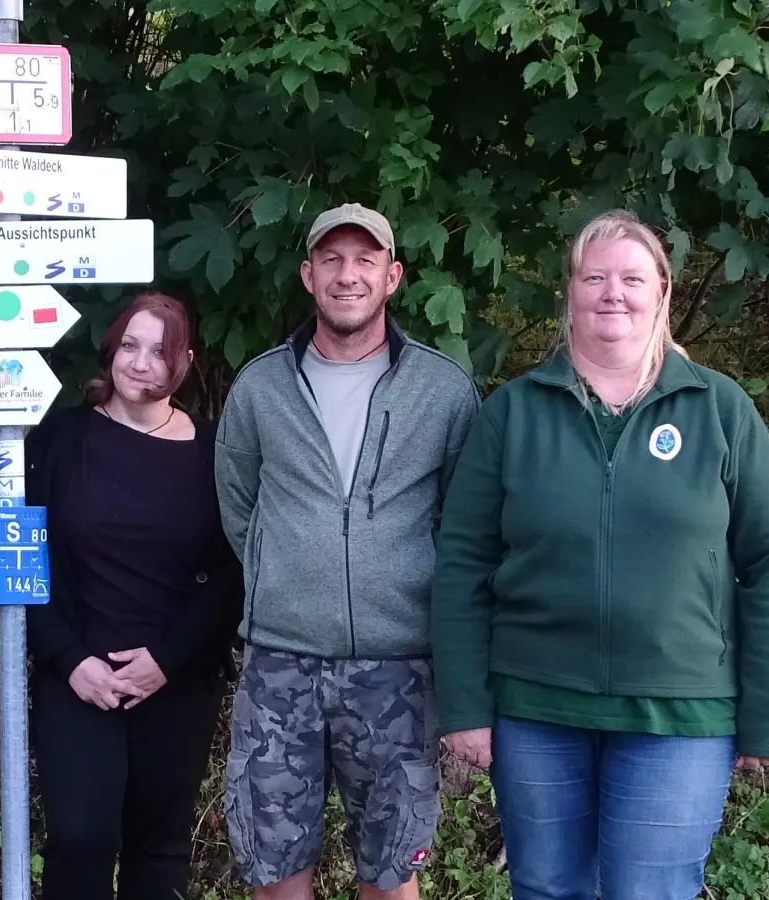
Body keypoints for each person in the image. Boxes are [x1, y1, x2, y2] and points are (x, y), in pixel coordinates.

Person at [430, 210, 769, 900]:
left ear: (661, 293)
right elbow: (461, 565)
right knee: (546, 890)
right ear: (569, 293)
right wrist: (463, 704)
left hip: (681, 715)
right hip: (536, 707)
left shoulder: (719, 411)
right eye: (595, 276)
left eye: (633, 278)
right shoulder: (513, 413)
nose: (614, 293)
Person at [215, 203, 479, 900]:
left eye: (365, 261)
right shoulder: (262, 386)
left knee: (392, 878)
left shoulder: (443, 390)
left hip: (398, 671)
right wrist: (291, 570)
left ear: (392, 276)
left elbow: (465, 524)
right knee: (276, 874)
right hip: (280, 667)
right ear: (308, 275)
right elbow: (240, 507)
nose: (347, 275)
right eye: (331, 259)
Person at [25, 292, 242, 900]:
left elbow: (232, 571)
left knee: (159, 844)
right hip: (77, 676)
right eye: (130, 345)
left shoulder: (214, 452)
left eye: (160, 351)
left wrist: (168, 662)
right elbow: (21, 560)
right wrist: (70, 659)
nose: (142, 363)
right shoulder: (59, 439)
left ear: (186, 362)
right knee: (80, 836)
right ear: (111, 349)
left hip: (176, 680)